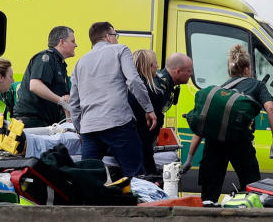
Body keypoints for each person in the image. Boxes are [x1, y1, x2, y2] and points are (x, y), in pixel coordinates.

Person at [183, 44, 273, 202]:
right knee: (252, 186)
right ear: (247, 69)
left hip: (214, 143)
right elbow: (270, 108)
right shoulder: (257, 85)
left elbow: (203, 126)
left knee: (209, 195)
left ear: (230, 71)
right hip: (240, 142)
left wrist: (189, 158)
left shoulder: (220, 91)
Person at [69, 22, 155, 177]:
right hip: (118, 123)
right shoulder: (120, 50)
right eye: (115, 35)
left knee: (87, 177)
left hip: (90, 128)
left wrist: (80, 129)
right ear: (108, 37)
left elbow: (74, 102)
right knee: (135, 175)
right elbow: (134, 81)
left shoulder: (79, 63)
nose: (117, 39)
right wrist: (148, 109)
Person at [129, 50, 193, 174]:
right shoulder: (157, 88)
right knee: (147, 174)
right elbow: (149, 118)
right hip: (141, 138)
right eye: (189, 70)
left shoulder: (164, 85)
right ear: (178, 71)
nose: (158, 67)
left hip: (138, 138)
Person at [13, 25, 77, 128]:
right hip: (32, 122)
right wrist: (61, 101)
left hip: (46, 123)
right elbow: (35, 85)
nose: (76, 45)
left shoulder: (59, 64)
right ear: (62, 42)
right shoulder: (46, 58)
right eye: (72, 41)